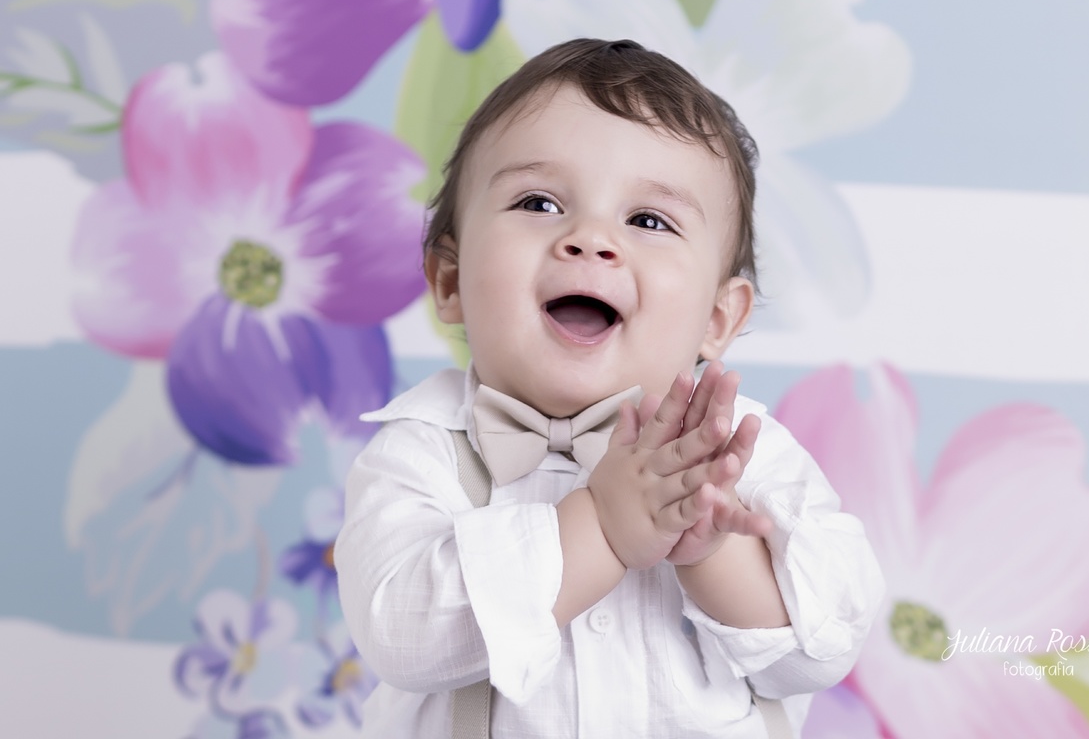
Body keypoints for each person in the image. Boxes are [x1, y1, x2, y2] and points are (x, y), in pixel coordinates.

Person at [335, 38, 884, 738]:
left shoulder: (742, 458)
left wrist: (716, 554)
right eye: (538, 202)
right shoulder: (421, 454)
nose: (591, 239)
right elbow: (401, 634)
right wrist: (602, 526)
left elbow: (826, 646)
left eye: (648, 221)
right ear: (449, 281)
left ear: (719, 317)